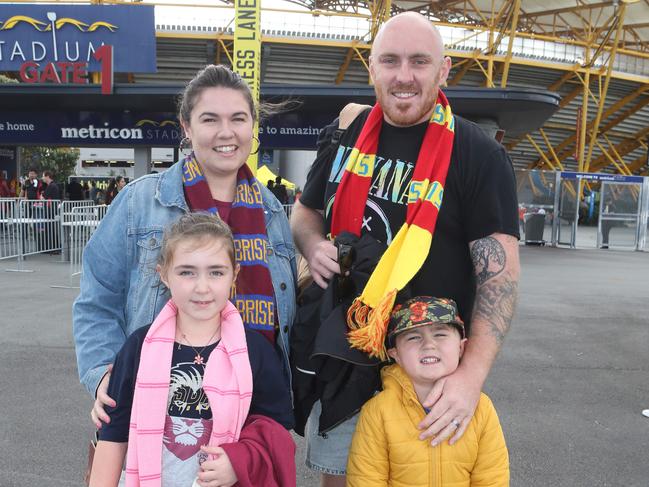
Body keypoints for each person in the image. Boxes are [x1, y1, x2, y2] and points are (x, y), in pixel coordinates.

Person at [291, 12, 519, 485]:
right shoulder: (345, 137)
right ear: (371, 69)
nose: (404, 76)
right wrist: (313, 245)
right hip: (346, 359)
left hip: (428, 369)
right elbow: (305, 213)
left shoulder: (478, 154)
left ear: (444, 70)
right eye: (390, 61)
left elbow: (499, 276)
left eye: (420, 62)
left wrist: (469, 378)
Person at [73, 64, 297, 434]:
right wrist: (102, 376)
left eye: (238, 118)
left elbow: (284, 324)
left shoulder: (272, 214)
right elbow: (97, 301)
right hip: (155, 412)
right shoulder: (139, 202)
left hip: (248, 413)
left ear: (252, 126)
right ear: (187, 127)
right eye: (210, 119)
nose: (226, 133)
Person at [89, 213, 295, 487]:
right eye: (187, 272)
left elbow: (276, 434)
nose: (202, 287)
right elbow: (113, 436)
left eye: (216, 272)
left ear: (235, 274)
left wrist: (239, 462)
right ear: (163, 274)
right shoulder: (139, 347)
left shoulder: (255, 352)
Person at [346, 296, 509, 486]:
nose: (428, 344)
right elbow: (366, 480)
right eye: (414, 337)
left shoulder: (481, 408)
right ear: (396, 355)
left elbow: (492, 479)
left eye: (440, 334)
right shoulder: (377, 412)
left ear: (461, 347)